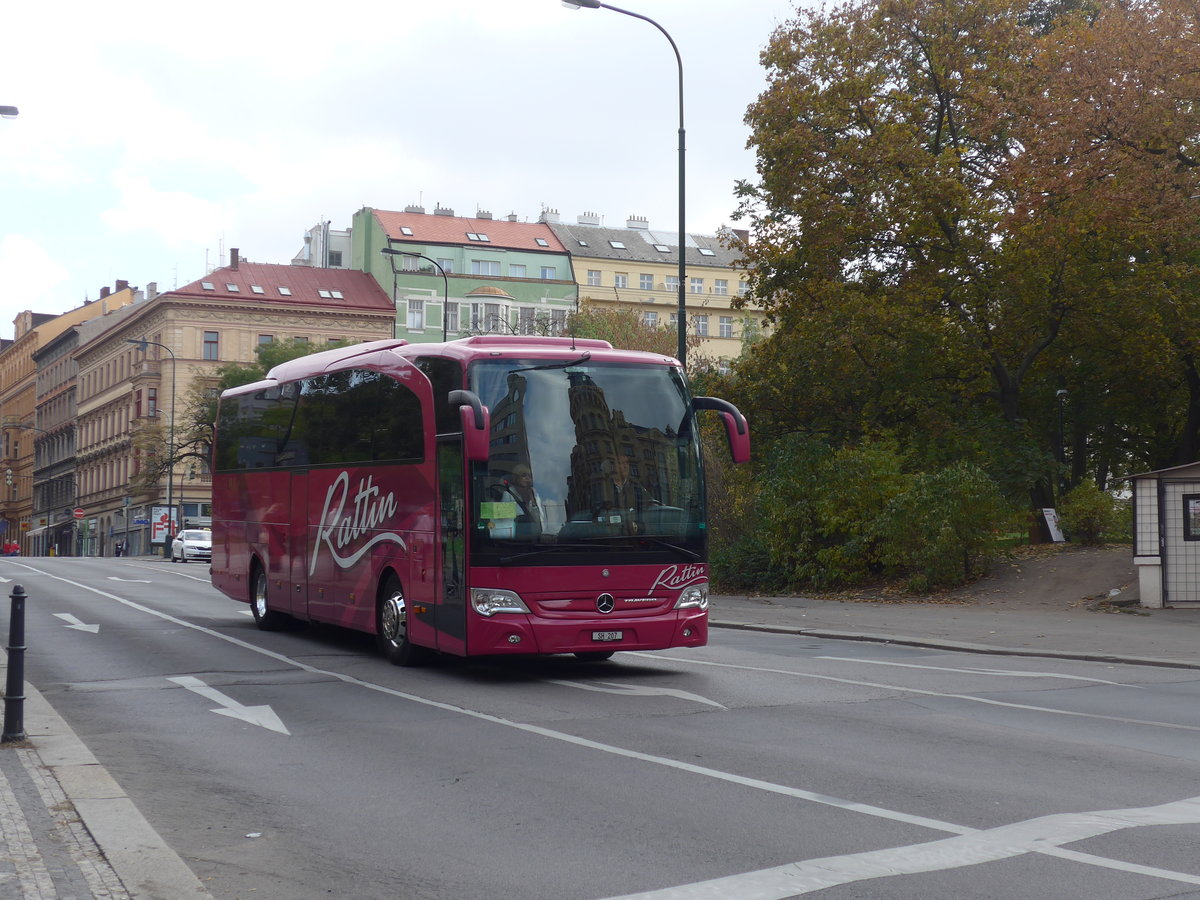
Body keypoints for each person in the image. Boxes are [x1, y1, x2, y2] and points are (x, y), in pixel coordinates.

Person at [495, 464, 544, 535]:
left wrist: (533, 501)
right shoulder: (508, 494)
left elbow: (540, 520)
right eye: (524, 475)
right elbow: (504, 520)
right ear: (516, 478)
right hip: (516, 538)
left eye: (529, 476)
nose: (527, 478)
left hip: (534, 537)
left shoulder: (535, 494)